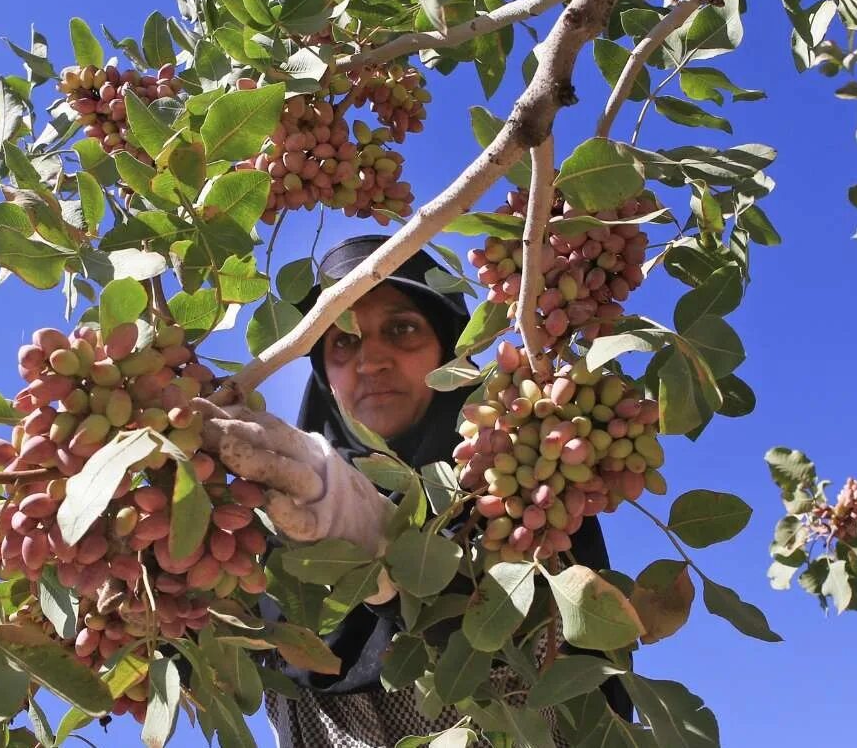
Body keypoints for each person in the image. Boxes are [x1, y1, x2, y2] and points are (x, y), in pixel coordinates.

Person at [192, 235, 630, 747]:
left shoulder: (524, 499)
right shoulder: (262, 525)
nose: (370, 361)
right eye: (343, 340)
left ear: (448, 349)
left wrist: (384, 543)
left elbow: (542, 670)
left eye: (401, 329)